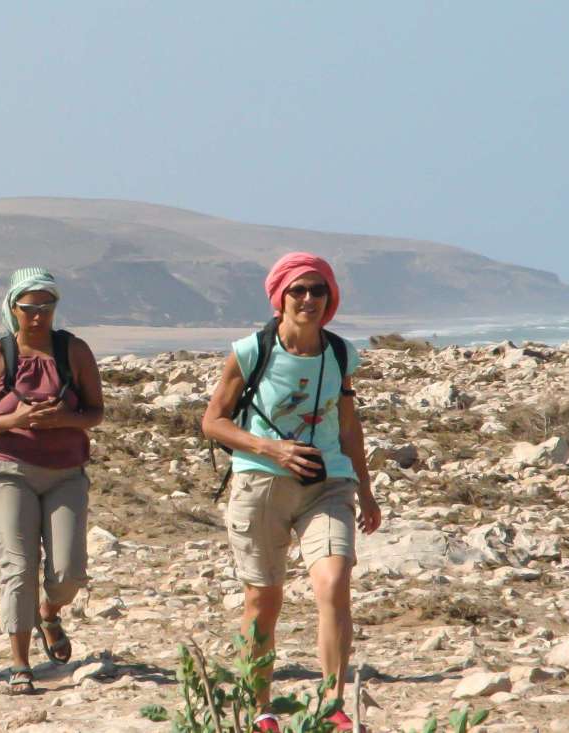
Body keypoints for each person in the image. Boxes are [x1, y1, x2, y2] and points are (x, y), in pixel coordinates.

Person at [200, 252, 383, 733]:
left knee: (334, 583)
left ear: (331, 298)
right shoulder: (250, 352)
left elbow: (349, 427)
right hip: (260, 484)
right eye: (298, 290)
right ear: (279, 297)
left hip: (328, 485)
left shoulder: (341, 354)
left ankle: (332, 703)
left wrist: (366, 491)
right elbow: (213, 421)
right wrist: (271, 449)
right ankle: (260, 708)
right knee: (264, 600)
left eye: (318, 290)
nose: (308, 299)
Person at [0, 268, 104, 695]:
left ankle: (50, 611)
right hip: (10, 469)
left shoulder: (74, 351)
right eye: (29, 308)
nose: (38, 316)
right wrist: (16, 419)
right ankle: (19, 663)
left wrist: (64, 419)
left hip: (66, 473)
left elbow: (96, 411)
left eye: (46, 307)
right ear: (13, 308)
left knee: (69, 571)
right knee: (18, 566)